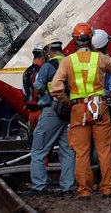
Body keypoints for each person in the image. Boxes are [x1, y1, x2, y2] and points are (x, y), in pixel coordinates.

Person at [51, 22, 111, 199]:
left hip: (79, 108)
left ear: (74, 40)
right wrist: (96, 51)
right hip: (100, 107)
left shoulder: (68, 61)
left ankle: (84, 190)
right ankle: (106, 188)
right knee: (103, 150)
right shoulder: (99, 58)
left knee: (81, 153)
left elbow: (55, 88)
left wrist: (68, 101)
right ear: (90, 39)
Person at [27, 36, 75, 196]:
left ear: (47, 50)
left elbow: (38, 86)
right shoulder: (71, 62)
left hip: (51, 111)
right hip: (68, 110)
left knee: (38, 150)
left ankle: (39, 186)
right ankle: (67, 187)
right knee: (67, 151)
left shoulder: (48, 66)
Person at [92, 29, 111, 126]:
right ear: (105, 46)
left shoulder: (85, 63)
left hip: (88, 106)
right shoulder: (108, 64)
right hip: (104, 106)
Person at [22, 43, 46, 136]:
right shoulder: (41, 71)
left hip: (31, 114)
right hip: (41, 112)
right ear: (43, 57)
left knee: (35, 140)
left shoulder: (26, 72)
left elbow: (24, 90)